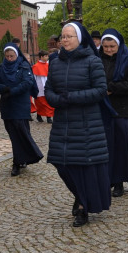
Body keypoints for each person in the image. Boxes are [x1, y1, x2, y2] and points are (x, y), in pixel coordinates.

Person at [45, 22, 111, 227]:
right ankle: (79, 194)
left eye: (68, 36)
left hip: (86, 122)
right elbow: (48, 90)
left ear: (79, 39)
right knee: (61, 164)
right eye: (62, 37)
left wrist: (72, 97)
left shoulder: (92, 61)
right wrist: (56, 100)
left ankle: (83, 205)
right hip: (63, 122)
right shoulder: (55, 63)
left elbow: (100, 90)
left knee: (83, 166)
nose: (64, 40)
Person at [99, 29, 128, 197]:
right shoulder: (97, 60)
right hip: (102, 109)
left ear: (118, 45)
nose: (109, 50)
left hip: (122, 110)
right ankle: (107, 179)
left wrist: (111, 88)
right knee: (105, 147)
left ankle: (119, 181)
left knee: (121, 148)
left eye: (112, 46)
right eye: (106, 47)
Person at [0, 45, 43, 176]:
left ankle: (17, 162)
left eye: (12, 56)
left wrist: (12, 91)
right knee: (13, 135)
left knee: (21, 133)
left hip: (20, 105)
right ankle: (22, 158)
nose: (9, 59)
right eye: (7, 56)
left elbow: (27, 83)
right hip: (7, 106)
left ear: (16, 55)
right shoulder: (3, 68)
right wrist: (5, 89)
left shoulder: (23, 67)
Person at [31, 50, 54, 124]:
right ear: (41, 57)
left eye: (47, 56)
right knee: (40, 102)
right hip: (39, 87)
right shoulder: (36, 66)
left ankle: (49, 117)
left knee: (48, 102)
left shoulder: (48, 65)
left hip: (48, 86)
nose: (47, 57)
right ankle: (39, 115)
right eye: (45, 56)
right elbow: (34, 78)